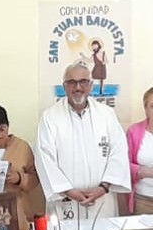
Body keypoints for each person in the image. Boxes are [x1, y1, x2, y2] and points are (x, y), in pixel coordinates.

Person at [35, 63, 131, 220]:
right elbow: (44, 157)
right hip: (66, 201)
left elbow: (118, 152)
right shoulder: (50, 117)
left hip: (101, 199)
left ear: (91, 85)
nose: (78, 87)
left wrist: (103, 188)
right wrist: (68, 191)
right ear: (64, 86)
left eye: (83, 82)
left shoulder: (106, 114)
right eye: (72, 82)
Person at [0, 105, 44, 218]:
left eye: (2, 129)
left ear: (8, 125)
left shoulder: (22, 147)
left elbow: (35, 178)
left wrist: (19, 178)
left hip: (18, 211)